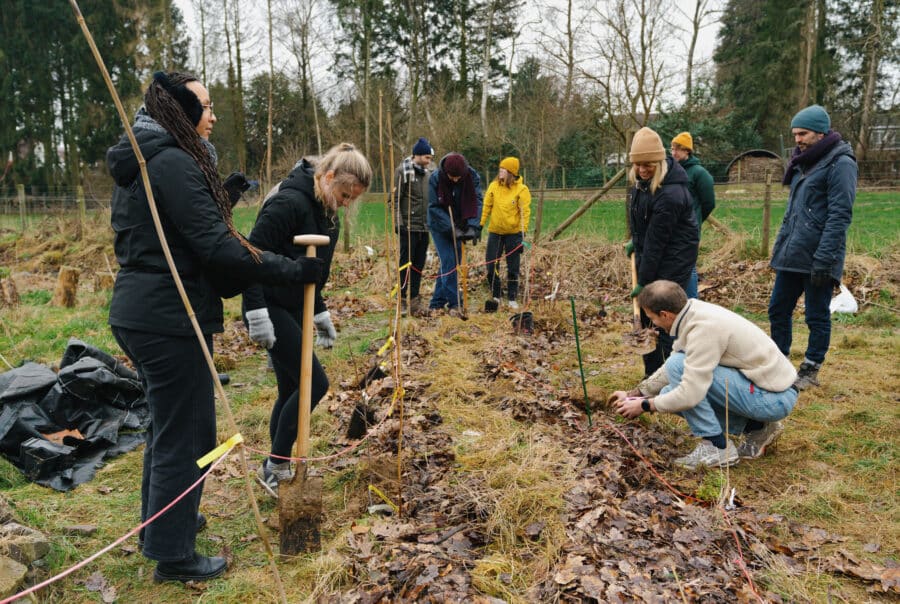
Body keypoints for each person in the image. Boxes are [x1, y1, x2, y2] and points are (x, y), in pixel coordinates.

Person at [107, 71, 324, 583]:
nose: (213, 115)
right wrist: (291, 269)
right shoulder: (173, 162)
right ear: (181, 112)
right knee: (189, 432)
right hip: (169, 315)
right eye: (205, 106)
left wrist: (221, 196)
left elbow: (175, 230)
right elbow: (217, 247)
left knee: (168, 426)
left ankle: (164, 524)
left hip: (146, 310)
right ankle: (173, 555)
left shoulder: (150, 158)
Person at [243, 143, 372, 495]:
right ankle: (276, 464)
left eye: (352, 199)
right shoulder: (288, 202)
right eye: (344, 195)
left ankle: (275, 466)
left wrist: (319, 311)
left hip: (294, 304)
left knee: (291, 388)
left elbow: (312, 272)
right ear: (328, 177)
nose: (346, 204)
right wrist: (255, 311)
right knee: (315, 384)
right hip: (268, 304)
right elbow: (249, 256)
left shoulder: (327, 211)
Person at [609, 280, 799, 470]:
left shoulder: (704, 328)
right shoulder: (691, 313)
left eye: (652, 318)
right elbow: (672, 368)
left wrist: (644, 405)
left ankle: (716, 447)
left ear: (665, 314)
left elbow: (689, 394)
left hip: (773, 399)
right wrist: (635, 394)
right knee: (669, 390)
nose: (654, 325)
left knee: (679, 378)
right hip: (767, 390)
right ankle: (758, 428)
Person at [769, 105, 857, 391]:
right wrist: (780, 249)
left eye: (803, 134)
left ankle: (810, 368)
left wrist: (825, 258)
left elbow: (840, 215)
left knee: (816, 315)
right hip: (793, 253)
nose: (797, 139)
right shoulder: (803, 162)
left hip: (820, 255)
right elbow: (794, 213)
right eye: (795, 134)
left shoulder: (840, 163)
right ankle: (778, 363)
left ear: (820, 132)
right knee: (778, 309)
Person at [625, 127, 699, 376]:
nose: (642, 169)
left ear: (659, 162)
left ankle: (674, 377)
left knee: (666, 320)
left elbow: (657, 244)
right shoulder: (641, 185)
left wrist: (644, 284)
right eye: (638, 165)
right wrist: (636, 241)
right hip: (653, 255)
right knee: (647, 320)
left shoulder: (671, 194)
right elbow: (644, 225)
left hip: (673, 261)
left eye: (648, 165)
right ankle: (652, 375)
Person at [427, 152, 483, 312]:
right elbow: (434, 207)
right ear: (446, 172)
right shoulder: (435, 178)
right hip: (439, 225)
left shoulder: (472, 176)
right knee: (449, 261)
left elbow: (477, 201)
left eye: (459, 177)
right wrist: (452, 228)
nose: (456, 180)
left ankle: (437, 303)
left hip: (461, 223)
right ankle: (454, 304)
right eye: (452, 177)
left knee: (451, 262)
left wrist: (473, 226)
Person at [480, 156, 531, 310]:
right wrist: (480, 225)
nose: (500, 171)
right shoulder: (494, 186)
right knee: (491, 264)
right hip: (495, 232)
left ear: (511, 173)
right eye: (500, 168)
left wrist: (522, 234)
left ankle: (512, 298)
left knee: (513, 267)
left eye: (504, 169)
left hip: (513, 234)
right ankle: (496, 294)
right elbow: (486, 206)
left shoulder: (522, 190)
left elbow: (525, 212)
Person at [670, 132, 715, 298]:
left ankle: (692, 302)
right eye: (672, 149)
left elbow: (709, 202)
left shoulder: (699, 173)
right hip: (671, 228)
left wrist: (695, 220)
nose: (674, 153)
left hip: (688, 231)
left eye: (678, 149)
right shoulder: (671, 170)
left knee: (688, 267)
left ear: (687, 151)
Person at [394, 137, 434, 316]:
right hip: (408, 227)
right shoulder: (403, 171)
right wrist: (399, 223)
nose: (429, 161)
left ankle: (415, 300)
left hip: (424, 228)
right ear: (417, 155)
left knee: (419, 265)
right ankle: (402, 299)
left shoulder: (429, 174)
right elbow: (395, 199)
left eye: (430, 158)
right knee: (405, 264)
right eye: (427, 157)